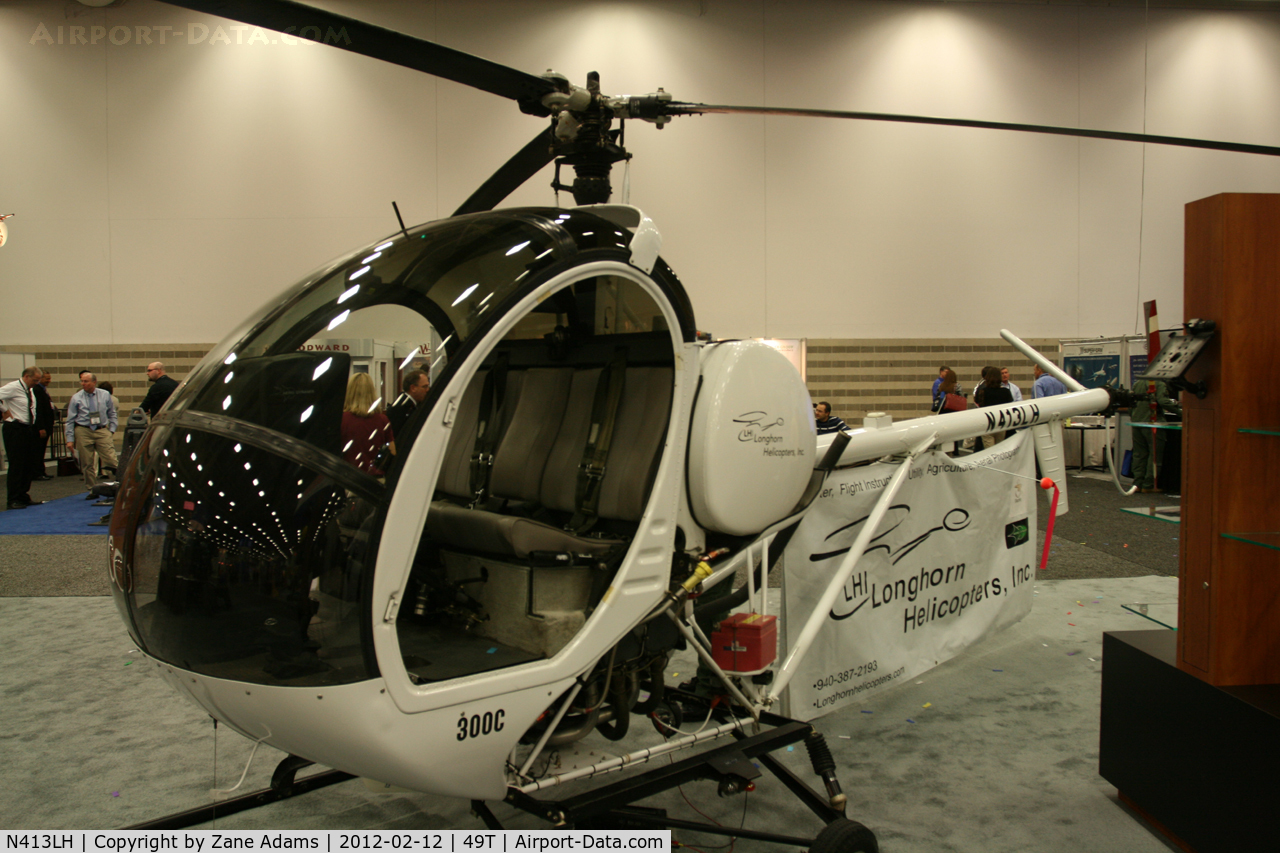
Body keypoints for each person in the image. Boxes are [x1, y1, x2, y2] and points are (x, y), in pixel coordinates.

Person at [1, 367, 47, 509]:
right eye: (35, 380)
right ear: (26, 377)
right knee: (17, 465)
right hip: (15, 428)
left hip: (28, 429)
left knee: (28, 464)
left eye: (38, 380)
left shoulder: (30, 389)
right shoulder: (13, 387)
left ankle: (23, 496)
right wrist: (4, 410)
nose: (37, 383)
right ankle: (13, 499)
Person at [66, 372, 118, 489]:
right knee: (87, 462)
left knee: (111, 459)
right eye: (82, 381)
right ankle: (92, 488)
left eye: (86, 381)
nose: (83, 384)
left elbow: (112, 413)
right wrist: (70, 439)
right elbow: (70, 420)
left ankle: (118, 484)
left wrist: (112, 429)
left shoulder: (105, 395)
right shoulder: (76, 397)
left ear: (94, 382)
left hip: (101, 429)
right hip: (83, 430)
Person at [1130, 379, 1181, 494]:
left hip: (1136, 422)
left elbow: (1131, 403)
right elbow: (1163, 402)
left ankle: (1137, 483)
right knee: (1154, 455)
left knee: (1139, 454)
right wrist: (1181, 412)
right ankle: (1149, 485)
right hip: (1152, 423)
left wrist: (1134, 417)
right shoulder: (1159, 384)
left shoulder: (1137, 383)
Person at [342, 373, 395, 477]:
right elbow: (392, 452)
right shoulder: (382, 420)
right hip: (375, 480)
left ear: (349, 392)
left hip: (348, 478)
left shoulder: (341, 419)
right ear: (372, 392)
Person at [387, 368, 429, 437]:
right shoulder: (400, 409)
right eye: (425, 387)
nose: (428, 390)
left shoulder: (409, 405)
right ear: (413, 388)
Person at [30, 367, 55, 481]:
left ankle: (41, 470)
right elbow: (38, 410)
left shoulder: (44, 390)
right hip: (41, 426)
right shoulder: (37, 390)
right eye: (46, 378)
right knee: (38, 450)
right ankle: (37, 472)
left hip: (47, 425)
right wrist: (41, 427)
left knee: (42, 450)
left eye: (49, 378)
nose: (48, 380)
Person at [931, 368, 964, 453]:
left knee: (944, 431)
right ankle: (955, 450)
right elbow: (960, 396)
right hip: (953, 410)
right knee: (954, 431)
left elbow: (938, 396)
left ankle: (943, 449)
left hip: (943, 410)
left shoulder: (941, 385)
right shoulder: (957, 385)